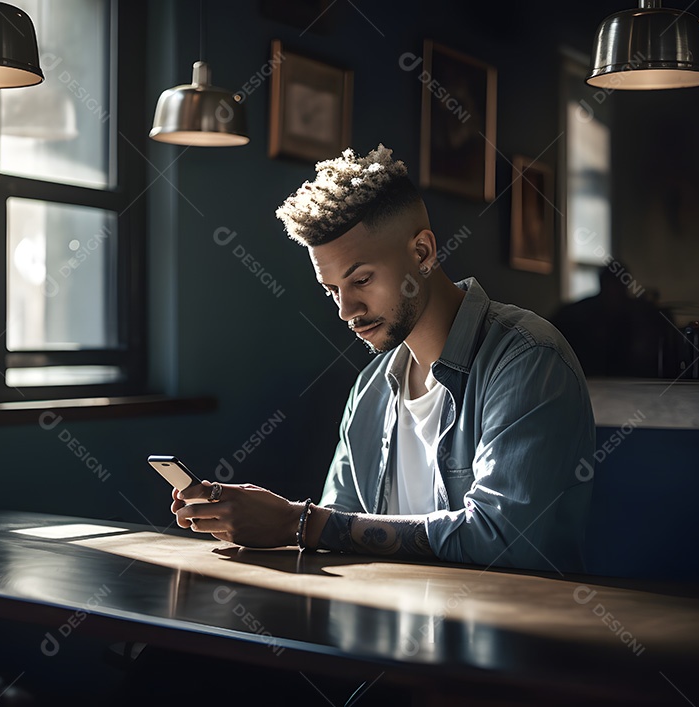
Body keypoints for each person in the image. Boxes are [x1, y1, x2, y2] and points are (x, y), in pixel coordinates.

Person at [172, 145, 595, 572]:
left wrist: (298, 523)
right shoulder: (372, 387)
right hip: (383, 627)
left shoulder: (528, 360)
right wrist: (272, 523)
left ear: (423, 253)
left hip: (508, 631)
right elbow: (338, 524)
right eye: (332, 290)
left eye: (361, 280)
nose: (345, 310)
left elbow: (502, 539)